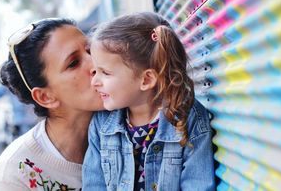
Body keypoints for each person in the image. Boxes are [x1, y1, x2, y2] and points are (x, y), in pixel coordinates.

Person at [82, 12, 215, 190]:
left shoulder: (188, 118)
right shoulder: (102, 124)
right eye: (95, 71)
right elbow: (94, 185)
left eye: (105, 72)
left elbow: (197, 185)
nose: (94, 82)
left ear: (146, 80)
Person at [0, 18, 103, 190]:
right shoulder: (15, 172)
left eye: (90, 50)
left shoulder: (133, 118)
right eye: (73, 63)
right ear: (45, 97)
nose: (95, 63)